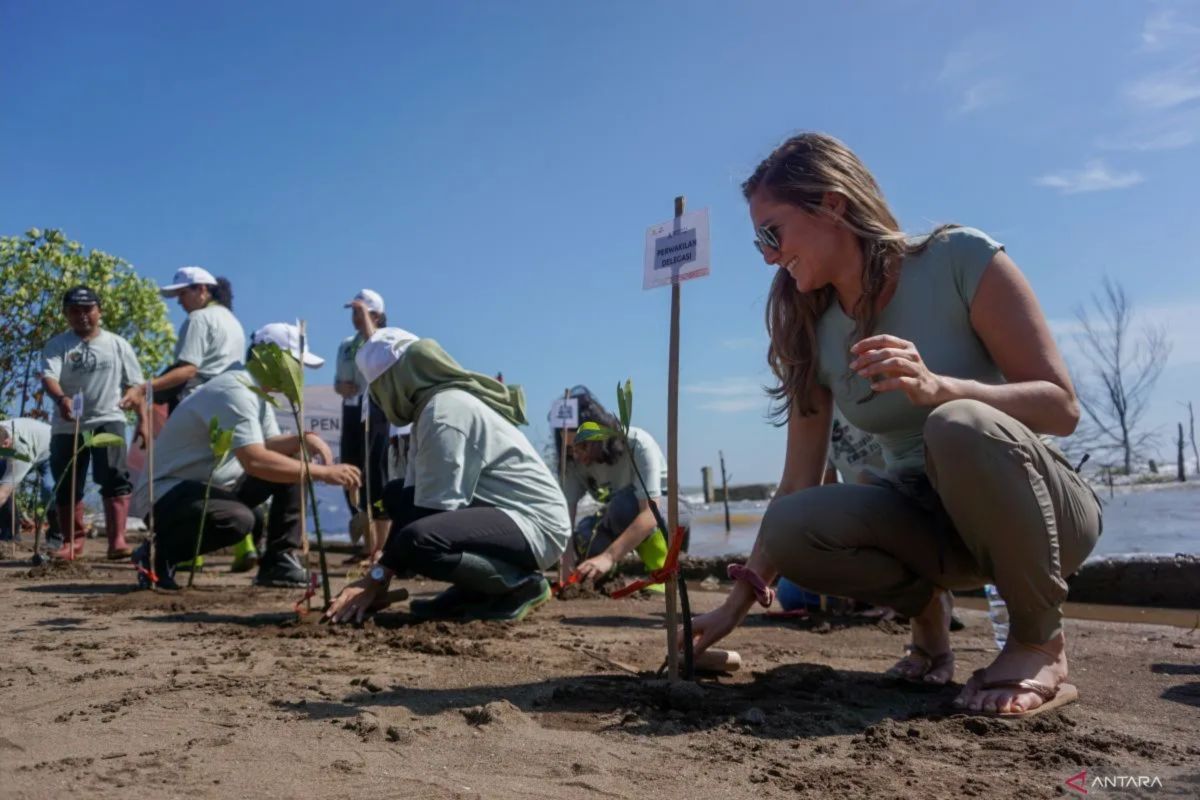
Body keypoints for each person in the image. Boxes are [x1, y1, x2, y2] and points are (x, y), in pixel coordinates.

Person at [689, 132, 1102, 718]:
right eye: (757, 239)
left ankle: (1039, 642)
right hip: (928, 530)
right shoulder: (808, 326)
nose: (765, 254)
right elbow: (798, 482)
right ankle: (927, 614)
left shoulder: (960, 258)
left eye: (771, 232)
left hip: (1042, 516)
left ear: (831, 205)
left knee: (955, 423)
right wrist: (735, 605)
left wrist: (942, 388)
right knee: (790, 523)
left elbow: (1061, 408)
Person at [324, 331, 569, 624]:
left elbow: (428, 514)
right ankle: (477, 588)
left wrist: (375, 577)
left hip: (535, 525)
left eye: (378, 391)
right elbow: (412, 502)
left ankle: (517, 586)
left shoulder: (445, 412)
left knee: (418, 542)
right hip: (501, 514)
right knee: (395, 496)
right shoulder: (429, 410)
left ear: (394, 382)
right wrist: (380, 574)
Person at [130, 322, 362, 590]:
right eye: (295, 363)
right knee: (236, 520)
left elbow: (268, 445)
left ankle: (278, 561)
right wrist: (324, 473)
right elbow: (255, 460)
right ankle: (155, 556)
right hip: (166, 494)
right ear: (270, 359)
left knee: (290, 465)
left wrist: (303, 439)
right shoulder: (235, 391)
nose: (299, 373)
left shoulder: (255, 392)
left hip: (204, 489)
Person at [141, 266, 255, 571]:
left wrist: (146, 387)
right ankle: (246, 547)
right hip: (229, 401)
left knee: (190, 473)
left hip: (197, 401)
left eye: (183, 293)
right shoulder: (233, 321)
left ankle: (193, 554)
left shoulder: (198, 319)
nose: (179, 301)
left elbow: (188, 369)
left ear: (202, 290)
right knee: (223, 473)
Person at [40, 286, 146, 560]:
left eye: (88, 309)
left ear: (99, 310)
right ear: (66, 314)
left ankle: (117, 541)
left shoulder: (118, 344)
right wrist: (61, 399)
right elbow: (49, 378)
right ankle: (72, 543)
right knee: (67, 482)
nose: (82, 316)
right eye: (75, 310)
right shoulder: (57, 345)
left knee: (114, 476)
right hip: (68, 424)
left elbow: (136, 385)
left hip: (108, 419)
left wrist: (143, 421)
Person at [553, 386, 690, 586]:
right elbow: (565, 520)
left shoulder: (637, 443)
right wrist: (565, 569)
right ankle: (611, 576)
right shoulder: (573, 463)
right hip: (621, 516)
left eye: (583, 446)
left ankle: (659, 572)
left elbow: (650, 513)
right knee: (584, 536)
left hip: (668, 513)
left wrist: (608, 557)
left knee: (623, 507)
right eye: (569, 449)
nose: (577, 455)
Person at [333, 289, 392, 563]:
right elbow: (338, 380)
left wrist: (370, 322)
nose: (355, 318)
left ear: (376, 315)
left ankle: (382, 546)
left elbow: (376, 346)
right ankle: (367, 545)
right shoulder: (346, 344)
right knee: (351, 471)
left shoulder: (384, 339)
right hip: (351, 410)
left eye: (361, 312)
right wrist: (339, 386)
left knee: (376, 475)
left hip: (376, 410)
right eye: (353, 312)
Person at [0, 418, 53, 545]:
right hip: (31, 441)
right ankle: (9, 533)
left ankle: (57, 536)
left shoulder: (20, 451)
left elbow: (3, 494)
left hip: (50, 450)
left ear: (6, 444)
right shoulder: (2, 429)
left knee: (49, 489)